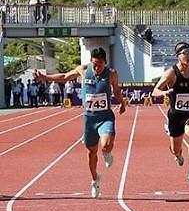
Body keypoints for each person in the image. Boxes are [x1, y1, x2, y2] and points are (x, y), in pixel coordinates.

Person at [33, 47, 126, 198]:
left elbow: (116, 91)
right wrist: (46, 77)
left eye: (100, 65)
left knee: (106, 145)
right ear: (91, 61)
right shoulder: (83, 70)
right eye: (95, 64)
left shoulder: (111, 73)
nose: (97, 68)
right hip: (89, 119)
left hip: (105, 117)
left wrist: (122, 103)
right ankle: (95, 179)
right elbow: (64, 76)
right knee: (91, 153)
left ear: (105, 63)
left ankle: (107, 152)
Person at [152, 42, 189, 187]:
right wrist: (164, 92)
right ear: (178, 57)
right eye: (185, 53)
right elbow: (154, 91)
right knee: (175, 149)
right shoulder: (171, 73)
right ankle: (178, 155)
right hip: (175, 116)